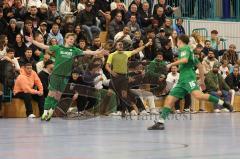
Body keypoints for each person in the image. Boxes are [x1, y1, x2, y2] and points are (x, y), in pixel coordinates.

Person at [148, 35, 233, 130]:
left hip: (188, 78)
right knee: (169, 99)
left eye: (177, 41)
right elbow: (200, 66)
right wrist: (202, 81)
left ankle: (224, 103)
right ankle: (160, 122)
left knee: (198, 95)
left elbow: (184, 60)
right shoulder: (190, 52)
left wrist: (171, 64)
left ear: (179, 41)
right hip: (182, 81)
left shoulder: (184, 48)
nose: (176, 43)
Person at [25, 33, 107, 121]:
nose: (72, 41)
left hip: (65, 77)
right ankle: (45, 113)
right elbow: (44, 46)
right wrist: (32, 41)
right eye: (71, 39)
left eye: (73, 39)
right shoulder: (58, 47)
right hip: (56, 75)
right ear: (66, 39)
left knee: (58, 96)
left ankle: (51, 111)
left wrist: (98, 52)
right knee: (51, 94)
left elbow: (86, 52)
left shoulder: (74, 50)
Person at [105, 40, 152, 116]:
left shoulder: (126, 53)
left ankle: (123, 112)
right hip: (115, 77)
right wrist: (111, 72)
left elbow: (136, 50)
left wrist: (146, 45)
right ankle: (104, 110)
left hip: (123, 77)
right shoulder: (112, 55)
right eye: (119, 44)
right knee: (109, 93)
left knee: (124, 94)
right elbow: (107, 66)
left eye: (121, 45)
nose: (120, 46)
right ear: (116, 46)